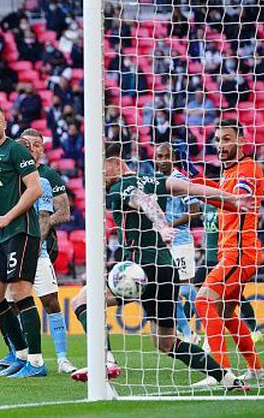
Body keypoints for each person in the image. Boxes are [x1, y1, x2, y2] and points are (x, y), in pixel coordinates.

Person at [70, 144, 250, 391]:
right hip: (166, 270)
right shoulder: (156, 179)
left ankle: (105, 361)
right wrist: (230, 199)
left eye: (100, 169)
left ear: (115, 163)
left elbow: (143, 201)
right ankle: (228, 379)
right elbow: (192, 188)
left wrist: (163, 225)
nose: (98, 176)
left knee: (82, 302)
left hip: (139, 269)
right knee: (166, 343)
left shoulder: (119, 188)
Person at [0, 135, 77, 374]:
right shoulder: (5, 178)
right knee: (10, 303)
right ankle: (21, 355)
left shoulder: (44, 181)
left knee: (49, 300)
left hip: (33, 249)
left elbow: (45, 216)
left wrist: (36, 242)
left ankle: (61, 358)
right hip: (9, 247)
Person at [191, 119, 264, 386]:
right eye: (218, 140)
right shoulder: (230, 171)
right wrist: (195, 180)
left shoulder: (247, 170)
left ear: (241, 141)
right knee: (224, 313)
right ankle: (257, 369)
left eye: (227, 139)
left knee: (203, 301)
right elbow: (223, 196)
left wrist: (196, 185)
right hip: (233, 253)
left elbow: (236, 204)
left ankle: (219, 373)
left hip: (239, 253)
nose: (221, 145)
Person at [0, 105, 45, 378]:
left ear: (4, 124)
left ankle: (36, 363)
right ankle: (21, 354)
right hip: (0, 234)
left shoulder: (15, 150)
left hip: (21, 230)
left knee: (20, 293)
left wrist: (8, 217)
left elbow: (35, 189)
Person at [155, 143, 201, 345]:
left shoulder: (181, 181)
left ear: (173, 157)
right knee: (168, 290)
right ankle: (188, 333)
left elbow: (195, 212)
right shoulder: (155, 182)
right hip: (164, 243)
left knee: (184, 287)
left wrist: (168, 224)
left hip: (181, 241)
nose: (163, 160)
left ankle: (210, 323)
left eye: (166, 156)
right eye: (159, 156)